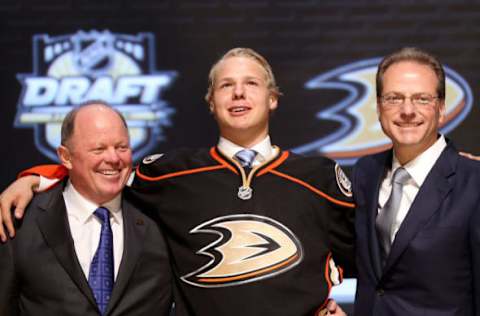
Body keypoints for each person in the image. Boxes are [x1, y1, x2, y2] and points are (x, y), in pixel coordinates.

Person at [0, 48, 353, 315]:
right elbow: (101, 174)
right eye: (226, 86)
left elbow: (373, 262)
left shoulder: (320, 177)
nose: (239, 94)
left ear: (273, 98)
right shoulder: (169, 174)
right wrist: (36, 178)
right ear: (211, 103)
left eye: (251, 84)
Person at [0, 102, 172, 315]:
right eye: (98, 149)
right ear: (66, 156)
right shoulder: (19, 222)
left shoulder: (161, 218)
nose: (113, 158)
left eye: (122, 147)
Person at [352, 47, 480, 315]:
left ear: (441, 108)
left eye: (422, 99)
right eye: (394, 98)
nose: (407, 110)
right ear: (378, 107)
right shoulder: (365, 172)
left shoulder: (474, 182)